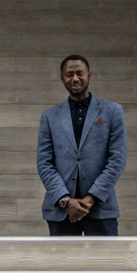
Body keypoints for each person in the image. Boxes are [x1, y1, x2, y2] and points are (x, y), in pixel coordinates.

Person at [35, 54, 126, 236]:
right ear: (62, 78)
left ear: (89, 74)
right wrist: (65, 200)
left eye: (79, 73)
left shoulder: (112, 111)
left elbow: (117, 160)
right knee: (62, 257)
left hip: (101, 209)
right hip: (61, 211)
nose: (75, 78)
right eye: (69, 75)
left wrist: (90, 199)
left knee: (106, 256)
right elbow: (44, 163)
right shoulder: (49, 116)